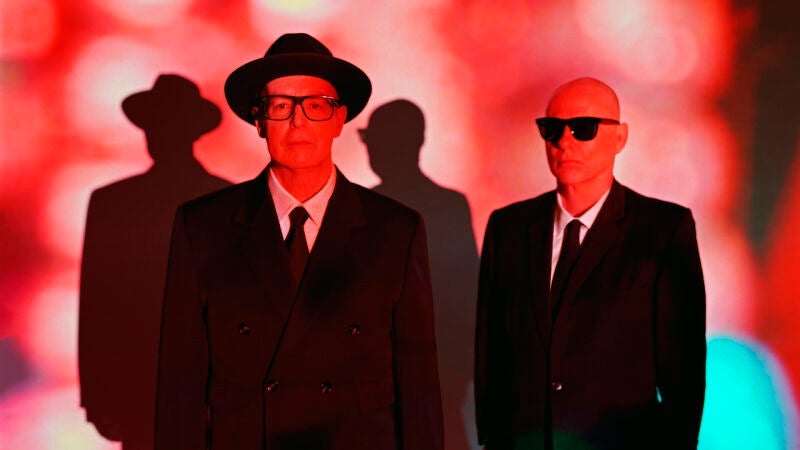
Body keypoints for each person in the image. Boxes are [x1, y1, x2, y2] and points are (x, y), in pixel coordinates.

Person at [154, 33, 443, 450]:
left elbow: (418, 384)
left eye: (316, 105)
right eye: (280, 106)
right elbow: (180, 386)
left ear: (339, 119)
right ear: (258, 120)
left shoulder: (396, 230)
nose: (298, 121)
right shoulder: (203, 227)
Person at [474, 77, 706, 450]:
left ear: (620, 137)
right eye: (552, 129)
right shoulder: (509, 228)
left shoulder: (662, 230)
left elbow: (683, 367)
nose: (565, 141)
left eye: (584, 128)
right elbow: (492, 350)